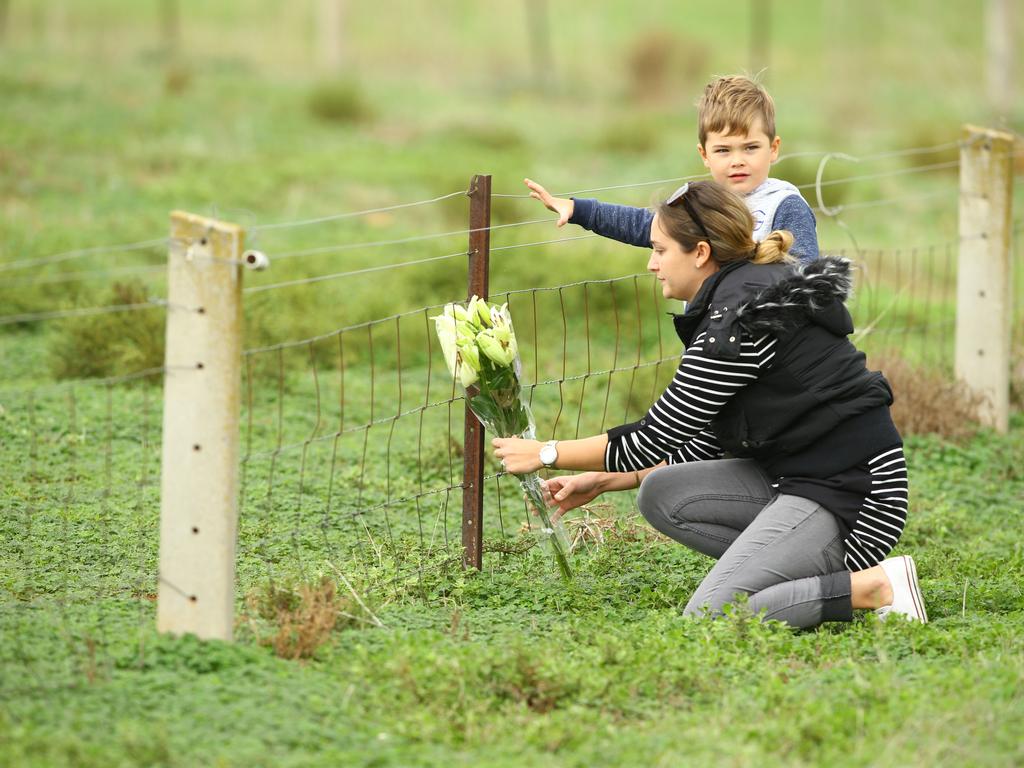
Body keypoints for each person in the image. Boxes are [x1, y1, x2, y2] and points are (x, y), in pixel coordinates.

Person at [493, 180, 927, 629]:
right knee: (663, 493)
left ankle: (873, 586)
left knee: (714, 614)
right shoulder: (743, 293)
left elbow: (653, 437)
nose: (651, 263)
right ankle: (791, 564)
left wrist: (547, 453)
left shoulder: (741, 318)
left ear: (700, 253)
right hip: (796, 474)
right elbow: (703, 436)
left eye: (660, 251)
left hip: (853, 495)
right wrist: (605, 480)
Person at [526, 74, 820, 263]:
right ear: (704, 154)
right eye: (723, 150)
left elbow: (808, 283)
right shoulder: (702, 205)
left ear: (774, 148)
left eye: (750, 148)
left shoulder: (785, 205)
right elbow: (645, 226)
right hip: (710, 345)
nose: (737, 160)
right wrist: (578, 210)